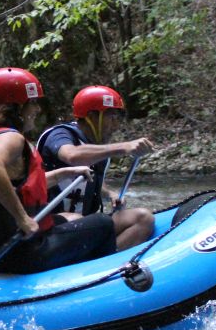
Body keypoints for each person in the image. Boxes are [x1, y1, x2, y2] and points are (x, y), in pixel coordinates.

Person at [0, 67, 116, 274]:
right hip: (19, 251)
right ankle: (97, 284)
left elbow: (18, 187)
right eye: (31, 103)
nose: (37, 109)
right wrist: (22, 218)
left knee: (72, 218)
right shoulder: (10, 138)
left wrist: (63, 174)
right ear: (13, 107)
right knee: (104, 224)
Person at [37, 85, 154, 250]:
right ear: (92, 116)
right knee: (76, 219)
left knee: (143, 218)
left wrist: (110, 194)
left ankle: (105, 265)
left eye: (118, 118)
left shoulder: (97, 147)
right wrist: (123, 147)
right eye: (112, 117)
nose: (116, 124)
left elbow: (88, 181)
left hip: (86, 223)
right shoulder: (60, 135)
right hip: (54, 226)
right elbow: (72, 155)